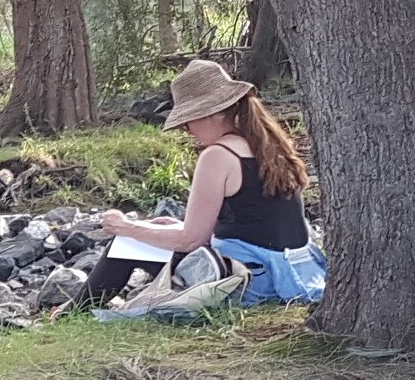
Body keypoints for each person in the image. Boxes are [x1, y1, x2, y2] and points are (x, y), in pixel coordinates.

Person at [81, 58, 314, 306]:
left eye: (189, 120)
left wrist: (125, 227)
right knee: (151, 233)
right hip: (289, 277)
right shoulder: (268, 147)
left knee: (125, 244)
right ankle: (71, 311)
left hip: (247, 285)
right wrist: (173, 227)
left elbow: (192, 240)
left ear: (213, 113)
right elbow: (254, 223)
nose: (187, 129)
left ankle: (71, 313)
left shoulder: (218, 155)